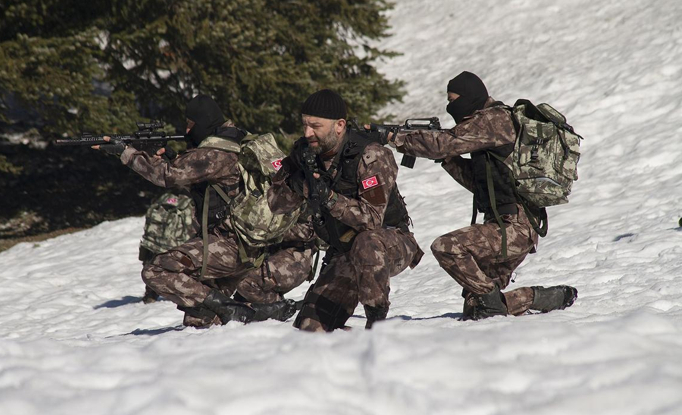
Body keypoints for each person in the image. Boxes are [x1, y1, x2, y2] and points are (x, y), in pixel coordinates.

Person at [95, 94, 307, 327]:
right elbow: (209, 182)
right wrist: (170, 157)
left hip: (228, 247)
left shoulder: (213, 152)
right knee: (201, 319)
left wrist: (126, 153)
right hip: (250, 248)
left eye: (190, 124)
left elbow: (166, 176)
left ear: (203, 121)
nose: (186, 131)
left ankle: (236, 309)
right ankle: (258, 316)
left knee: (155, 270)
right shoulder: (240, 140)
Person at [390, 71, 577, 320]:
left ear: (470, 97)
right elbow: (480, 185)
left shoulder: (492, 120)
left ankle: (493, 299)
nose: (450, 106)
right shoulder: (490, 125)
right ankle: (542, 297)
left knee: (446, 247)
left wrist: (396, 138)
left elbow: (443, 143)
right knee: (477, 309)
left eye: (453, 99)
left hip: (514, 228)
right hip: (506, 226)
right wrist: (449, 161)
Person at [268, 89, 424, 332]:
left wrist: (329, 198)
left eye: (315, 126)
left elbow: (372, 220)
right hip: (343, 250)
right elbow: (275, 204)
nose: (308, 133)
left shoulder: (371, 155)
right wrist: (298, 186)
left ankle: (377, 323)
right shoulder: (305, 153)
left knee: (367, 242)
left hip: (390, 241)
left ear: (339, 125)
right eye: (305, 125)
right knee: (309, 329)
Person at [138, 186, 198, 304]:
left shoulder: (164, 198)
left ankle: (150, 294)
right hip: (177, 245)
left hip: (154, 243)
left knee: (152, 263)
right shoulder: (190, 202)